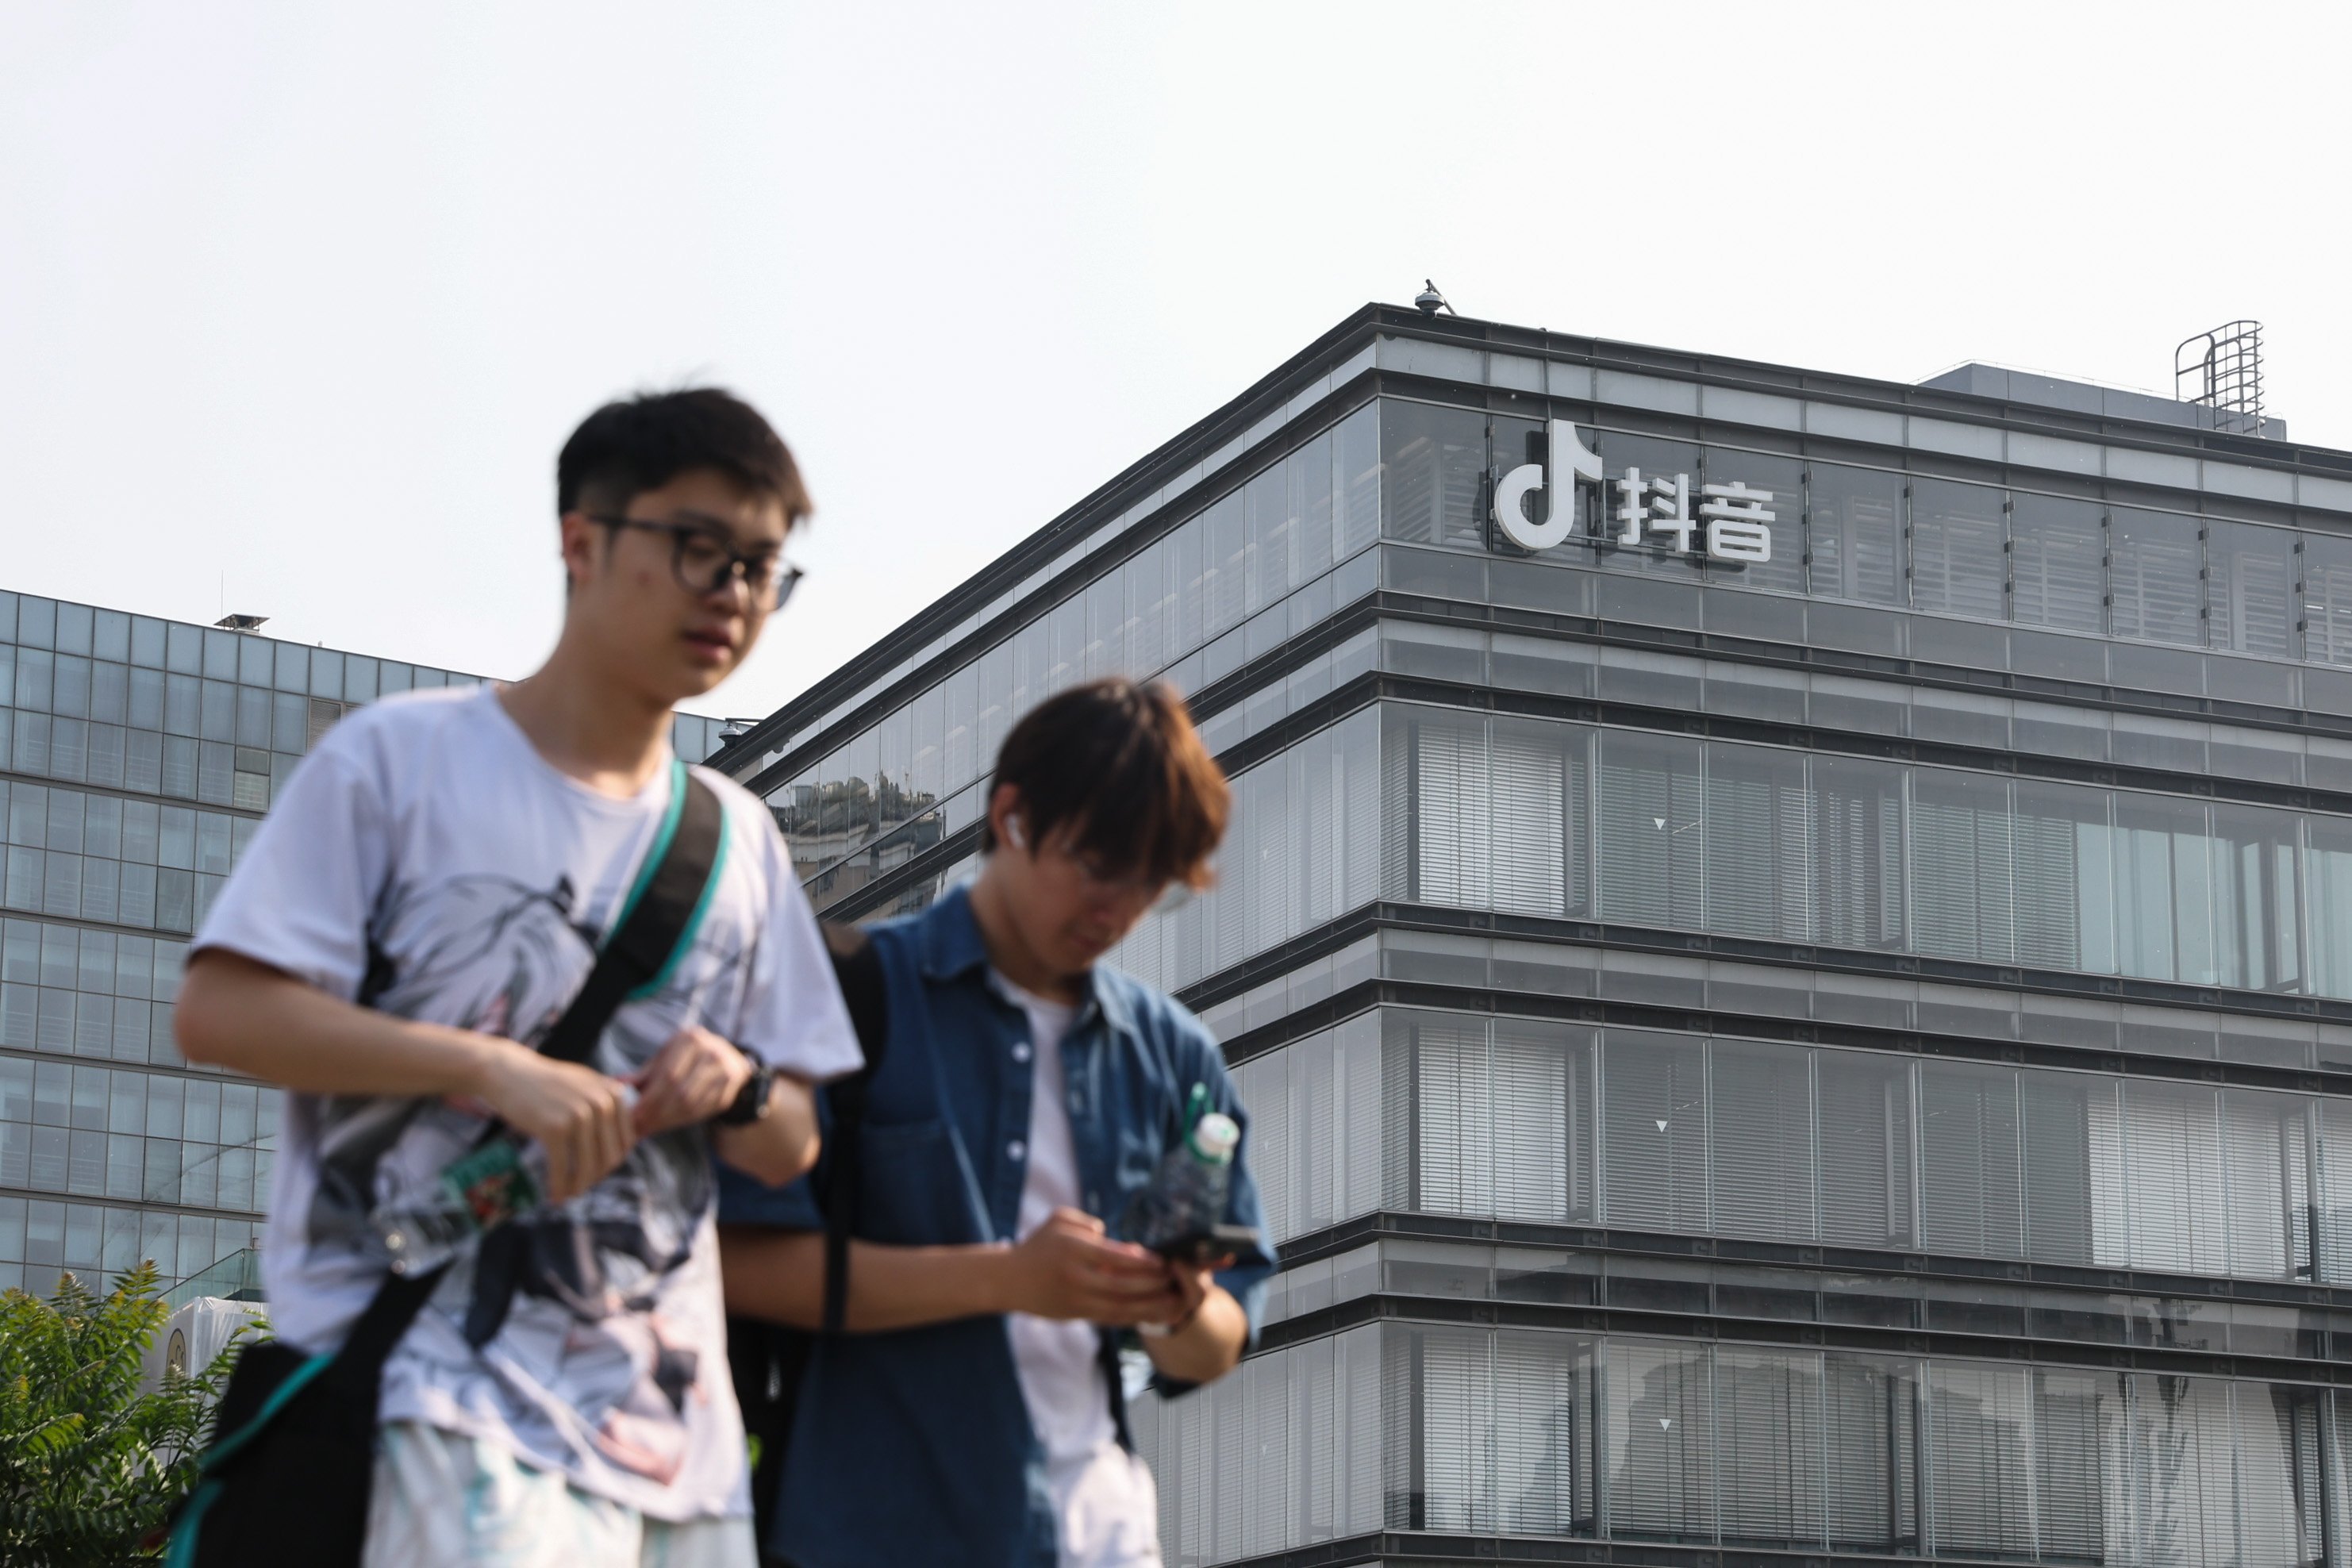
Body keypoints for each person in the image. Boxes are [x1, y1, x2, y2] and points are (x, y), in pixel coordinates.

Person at [175, 388, 861, 1567]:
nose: (734, 595)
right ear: (581, 541)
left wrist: (739, 1087)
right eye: (700, 549)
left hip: (677, 1453)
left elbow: (792, 1139)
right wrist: (491, 1067)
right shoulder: (399, 764)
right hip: (439, 1397)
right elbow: (221, 1009)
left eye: (762, 566)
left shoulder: (741, 839)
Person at [719, 677, 1272, 1568]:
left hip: (1106, 1536)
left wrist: (1173, 1302)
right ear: (1011, 815)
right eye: (1098, 865)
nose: (1116, 911)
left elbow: (1212, 1347)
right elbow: (734, 1263)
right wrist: (1009, 1276)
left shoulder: (1173, 1054)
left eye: (1151, 885)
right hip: (874, 1533)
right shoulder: (848, 993)